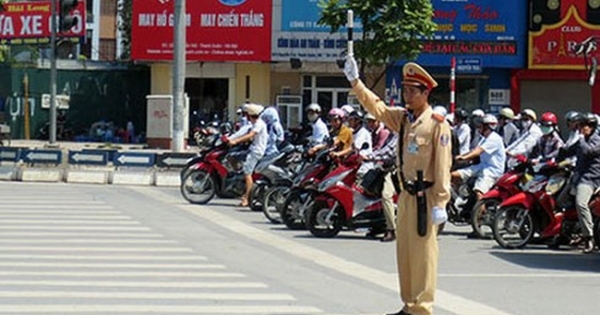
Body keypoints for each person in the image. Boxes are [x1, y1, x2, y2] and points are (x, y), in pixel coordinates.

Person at [344, 56, 452, 315]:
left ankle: (422, 308)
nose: (407, 95)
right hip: (405, 194)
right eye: (405, 89)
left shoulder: (437, 124)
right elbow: (377, 108)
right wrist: (355, 82)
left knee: (424, 256)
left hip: (426, 197)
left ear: (425, 92)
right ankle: (409, 304)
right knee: (405, 254)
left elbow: (442, 166)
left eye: (412, 91)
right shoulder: (403, 119)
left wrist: (441, 202)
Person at [452, 114, 506, 233]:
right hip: (481, 167)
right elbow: (474, 151)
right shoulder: (484, 138)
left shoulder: (494, 138)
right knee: (453, 175)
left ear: (488, 127)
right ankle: (460, 198)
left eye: (481, 126)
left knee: (479, 192)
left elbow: (478, 151)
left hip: (492, 170)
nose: (479, 128)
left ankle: (480, 220)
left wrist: (463, 157)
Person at [560, 113, 600, 253]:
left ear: (593, 127)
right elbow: (568, 151)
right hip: (577, 177)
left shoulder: (595, 141)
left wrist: (581, 138)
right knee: (560, 200)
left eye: (586, 125)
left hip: (590, 179)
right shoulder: (583, 139)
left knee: (581, 203)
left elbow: (587, 151)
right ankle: (563, 234)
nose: (583, 128)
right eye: (581, 125)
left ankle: (589, 238)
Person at [225, 104, 268, 207]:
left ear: (250, 115)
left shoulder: (258, 124)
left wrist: (235, 141)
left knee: (247, 174)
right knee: (233, 157)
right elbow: (243, 132)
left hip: (256, 152)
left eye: (247, 114)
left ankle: (246, 198)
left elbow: (250, 135)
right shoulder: (253, 124)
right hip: (251, 150)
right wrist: (231, 138)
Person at [362, 131, 399, 242]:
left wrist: (370, 156)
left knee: (386, 195)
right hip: (387, 168)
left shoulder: (399, 133)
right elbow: (382, 149)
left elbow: (389, 152)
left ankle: (391, 229)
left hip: (398, 171)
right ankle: (378, 224)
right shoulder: (390, 134)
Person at [347, 110, 373, 176]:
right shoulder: (353, 132)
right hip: (355, 165)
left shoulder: (363, 133)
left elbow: (353, 148)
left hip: (363, 168)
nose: (349, 122)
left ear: (357, 121)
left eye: (351, 120)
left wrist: (339, 154)